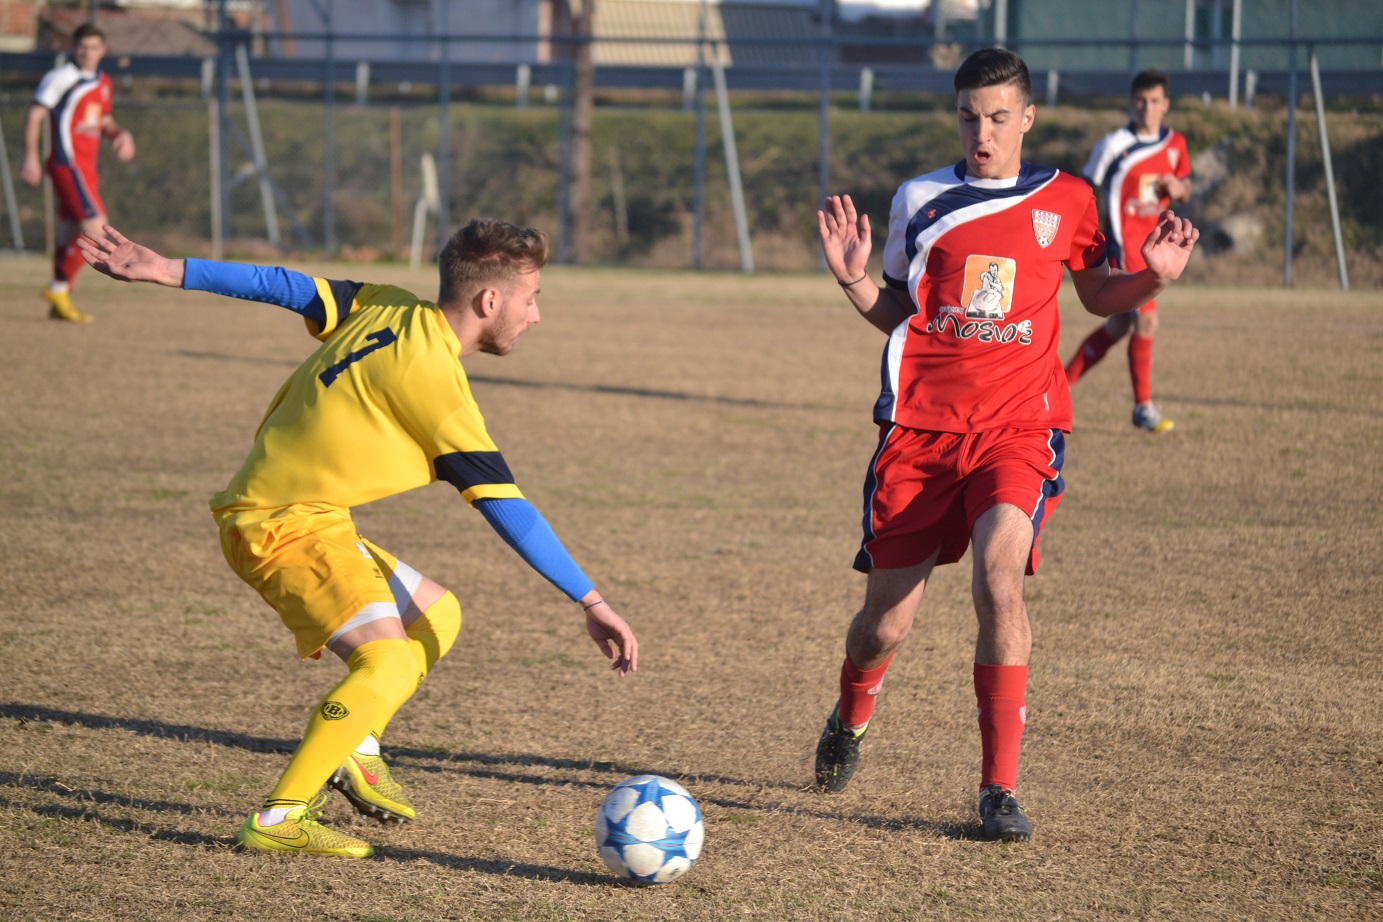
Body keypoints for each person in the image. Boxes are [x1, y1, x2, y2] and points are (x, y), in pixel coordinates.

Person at [76, 220, 639, 858]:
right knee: (390, 660)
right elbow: (511, 511)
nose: (535, 315)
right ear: (490, 302)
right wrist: (591, 601)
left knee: (437, 614)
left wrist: (169, 268)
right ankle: (280, 818)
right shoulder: (440, 391)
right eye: (531, 298)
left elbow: (281, 284)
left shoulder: (389, 304)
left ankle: (355, 747)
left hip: (308, 516)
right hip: (279, 524)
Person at [813, 48, 1197, 842]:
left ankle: (997, 790)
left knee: (999, 579)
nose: (980, 133)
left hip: (1021, 426)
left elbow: (1097, 294)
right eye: (967, 117)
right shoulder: (921, 200)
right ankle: (850, 715)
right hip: (918, 432)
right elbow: (899, 314)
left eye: (996, 117)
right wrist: (856, 283)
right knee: (882, 626)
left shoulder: (1069, 198)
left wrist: (1151, 279)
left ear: (1025, 117)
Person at [1064, 69, 1193, 433]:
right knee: (1148, 320)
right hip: (1124, 245)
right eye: (1140, 101)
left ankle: (1058, 384)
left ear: (1165, 105)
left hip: (1155, 245)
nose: (1146, 108)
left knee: (1121, 324)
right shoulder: (1114, 144)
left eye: (1154, 101)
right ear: (1131, 103)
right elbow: (1083, 188)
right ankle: (1143, 407)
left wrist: (1177, 187)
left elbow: (1187, 189)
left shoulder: (1176, 144)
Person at [21, 22, 135, 324]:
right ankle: (59, 289)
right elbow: (35, 115)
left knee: (71, 231)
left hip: (87, 167)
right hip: (67, 164)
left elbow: (105, 121)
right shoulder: (62, 78)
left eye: (94, 47)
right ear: (74, 48)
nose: (87, 53)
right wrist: (31, 156)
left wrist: (120, 134)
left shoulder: (103, 82)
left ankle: (59, 295)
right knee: (97, 229)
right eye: (82, 47)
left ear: (103, 50)